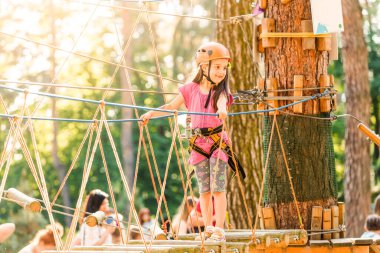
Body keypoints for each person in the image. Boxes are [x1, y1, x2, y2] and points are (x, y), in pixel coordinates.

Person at [140, 42, 245, 242]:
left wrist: (222, 110)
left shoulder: (221, 92)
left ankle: (219, 228)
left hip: (217, 143)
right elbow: (171, 106)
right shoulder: (189, 89)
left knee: (218, 188)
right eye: (217, 67)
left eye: (224, 68)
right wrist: (151, 113)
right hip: (198, 145)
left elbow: (223, 103)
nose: (221, 72)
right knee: (204, 191)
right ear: (204, 67)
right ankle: (207, 228)